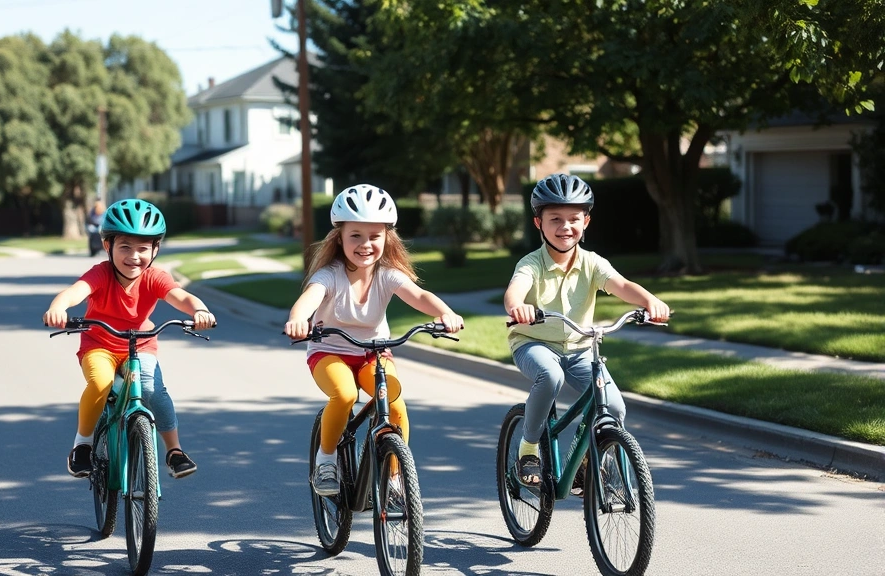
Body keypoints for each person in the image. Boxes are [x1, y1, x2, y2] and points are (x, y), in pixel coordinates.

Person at [283, 184, 465, 496]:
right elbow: (308, 299)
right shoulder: (330, 274)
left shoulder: (387, 274)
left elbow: (419, 295)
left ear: (386, 238)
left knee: (394, 404)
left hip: (375, 353)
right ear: (339, 237)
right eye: (356, 235)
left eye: (374, 236)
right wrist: (298, 319)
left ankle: (395, 476)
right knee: (344, 395)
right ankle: (326, 460)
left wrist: (446, 314)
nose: (365, 244)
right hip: (330, 351)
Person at [504, 174, 670, 487]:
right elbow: (516, 289)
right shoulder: (532, 263)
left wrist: (649, 301)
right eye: (555, 219)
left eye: (573, 219)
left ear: (586, 221)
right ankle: (528, 450)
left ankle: (582, 463)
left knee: (615, 406)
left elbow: (621, 285)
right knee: (549, 376)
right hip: (534, 344)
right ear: (538, 223)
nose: (565, 227)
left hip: (579, 347)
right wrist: (518, 307)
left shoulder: (592, 263)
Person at [43, 199, 217, 479]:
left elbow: (180, 296)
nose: (134, 256)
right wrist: (58, 308)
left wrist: (200, 310)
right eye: (125, 247)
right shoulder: (100, 274)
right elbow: (75, 291)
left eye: (143, 248)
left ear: (155, 249)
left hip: (140, 344)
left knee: (151, 390)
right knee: (101, 383)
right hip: (99, 345)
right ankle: (83, 445)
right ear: (108, 246)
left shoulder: (154, 277)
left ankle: (174, 450)